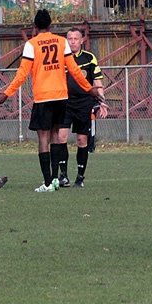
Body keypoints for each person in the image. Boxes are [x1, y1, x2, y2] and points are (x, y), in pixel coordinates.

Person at [0, 9, 103, 192]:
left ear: (35, 27)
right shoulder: (61, 42)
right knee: (55, 138)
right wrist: (89, 88)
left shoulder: (31, 44)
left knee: (43, 140)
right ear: (51, 25)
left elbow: (22, 74)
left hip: (43, 97)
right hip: (61, 96)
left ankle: (47, 183)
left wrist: (7, 93)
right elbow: (74, 70)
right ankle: (54, 181)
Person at [54, 27, 108, 188]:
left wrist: (101, 101)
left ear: (81, 40)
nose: (72, 41)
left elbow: (97, 82)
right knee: (61, 137)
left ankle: (80, 176)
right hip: (64, 103)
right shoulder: (60, 58)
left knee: (81, 140)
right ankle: (63, 175)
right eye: (69, 38)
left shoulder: (89, 58)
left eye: (75, 39)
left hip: (84, 104)